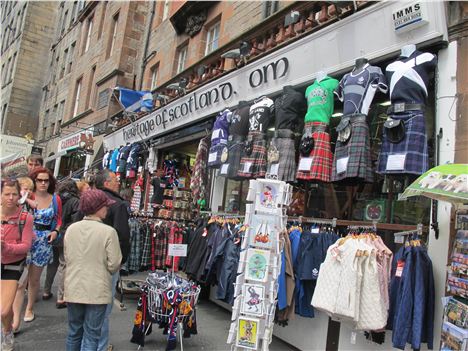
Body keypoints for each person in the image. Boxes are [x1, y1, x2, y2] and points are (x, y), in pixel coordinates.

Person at [64, 189, 122, 351]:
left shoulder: (72, 229)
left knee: (74, 332)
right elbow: (114, 263)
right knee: (92, 335)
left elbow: (68, 257)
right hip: (97, 289)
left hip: (74, 286)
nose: (107, 209)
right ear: (97, 208)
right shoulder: (109, 232)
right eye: (104, 206)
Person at [94, 169, 130, 351]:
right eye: (115, 180)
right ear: (107, 183)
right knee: (104, 305)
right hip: (108, 261)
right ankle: (100, 345)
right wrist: (120, 260)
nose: (119, 183)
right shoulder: (118, 204)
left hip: (87, 259)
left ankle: (88, 341)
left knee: (87, 303)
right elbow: (122, 235)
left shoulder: (90, 199)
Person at [21, 168, 62, 322]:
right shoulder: (27, 195)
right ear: (34, 180)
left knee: (35, 279)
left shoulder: (55, 199)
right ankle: (14, 307)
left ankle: (29, 307)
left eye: (46, 180)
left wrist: (56, 231)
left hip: (43, 240)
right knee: (21, 278)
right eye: (40, 180)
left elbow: (59, 219)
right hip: (26, 237)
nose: (43, 183)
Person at [1, 178, 35, 351]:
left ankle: (7, 331)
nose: (11, 198)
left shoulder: (25, 217)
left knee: (4, 311)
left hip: (12, 266)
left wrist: (6, 247)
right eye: (7, 194)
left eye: (14, 194)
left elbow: (26, 246)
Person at [43, 180, 82, 309]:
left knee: (52, 264)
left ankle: (46, 291)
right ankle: (61, 297)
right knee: (63, 265)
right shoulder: (75, 201)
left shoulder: (55, 199)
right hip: (66, 235)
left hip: (54, 233)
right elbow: (76, 220)